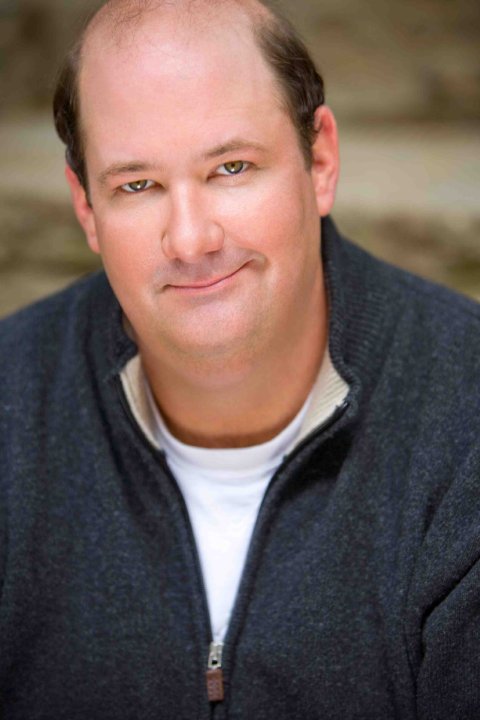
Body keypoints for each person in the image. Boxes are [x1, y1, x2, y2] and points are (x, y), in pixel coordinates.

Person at [1, 0, 479, 717]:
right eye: (137, 185)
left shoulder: (467, 416)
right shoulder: (10, 408)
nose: (191, 240)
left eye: (231, 168)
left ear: (320, 162)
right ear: (86, 210)